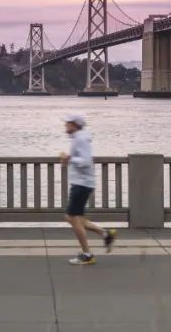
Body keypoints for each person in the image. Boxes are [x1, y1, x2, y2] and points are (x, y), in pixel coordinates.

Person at [60, 113, 117, 265]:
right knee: (72, 217)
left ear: (75, 125)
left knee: (72, 218)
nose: (65, 125)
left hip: (82, 183)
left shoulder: (80, 138)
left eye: (67, 123)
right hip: (81, 182)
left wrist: (69, 158)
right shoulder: (79, 137)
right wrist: (69, 160)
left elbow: (85, 161)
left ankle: (87, 254)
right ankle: (105, 234)